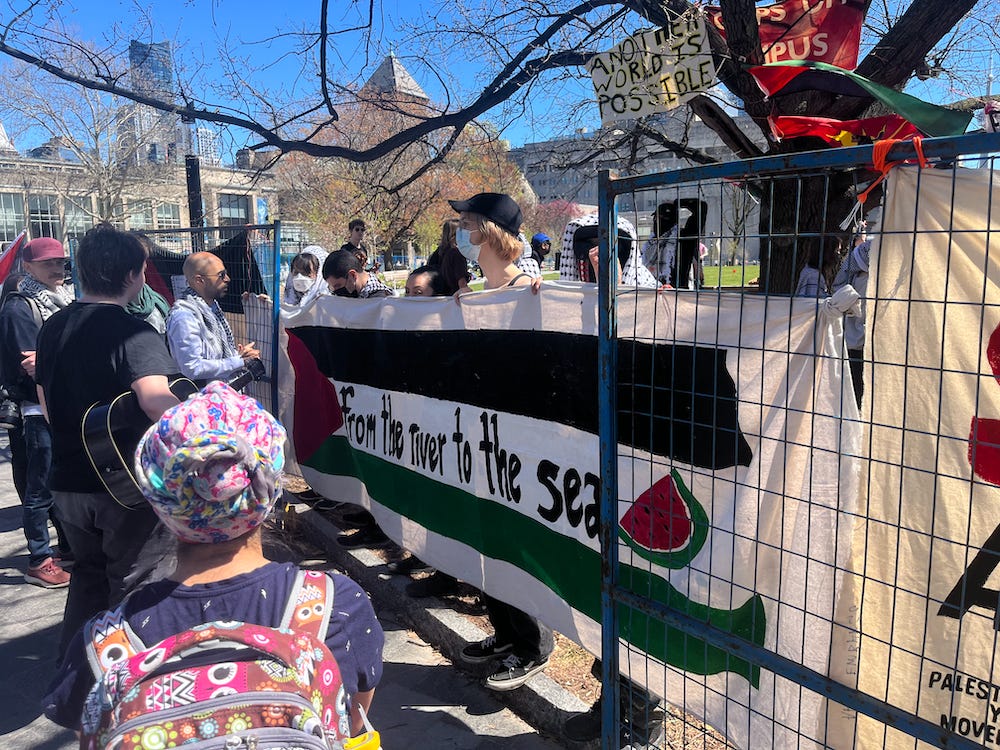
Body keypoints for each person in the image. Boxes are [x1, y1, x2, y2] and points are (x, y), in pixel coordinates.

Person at [42, 382, 385, 738]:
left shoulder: (105, 643)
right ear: (270, 490)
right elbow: (353, 721)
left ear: (160, 501)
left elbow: (81, 720)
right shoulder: (335, 607)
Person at [35, 223, 181, 656]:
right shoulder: (133, 332)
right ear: (136, 274)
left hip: (65, 481)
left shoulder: (52, 327)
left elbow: (46, 403)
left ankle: (76, 678)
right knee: (136, 584)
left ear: (81, 269)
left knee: (87, 576)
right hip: (122, 490)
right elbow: (157, 402)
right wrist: (207, 415)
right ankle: (129, 687)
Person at [0, 237, 73, 588]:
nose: (57, 268)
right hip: (36, 409)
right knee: (40, 487)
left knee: (60, 482)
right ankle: (40, 559)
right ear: (27, 267)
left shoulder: (62, 300)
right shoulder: (19, 306)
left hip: (61, 404)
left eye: (60, 262)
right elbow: (31, 363)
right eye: (48, 263)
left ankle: (66, 549)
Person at [166, 251, 261, 384]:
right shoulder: (184, 317)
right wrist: (238, 361)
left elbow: (216, 355)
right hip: (204, 400)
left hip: (222, 394)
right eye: (221, 275)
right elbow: (192, 368)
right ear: (199, 280)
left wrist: (238, 355)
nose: (227, 279)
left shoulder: (211, 308)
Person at [448, 192, 534, 291]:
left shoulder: (528, 289)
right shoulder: (488, 286)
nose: (459, 230)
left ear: (490, 232)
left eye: (465, 223)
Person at [559, 214, 658, 287]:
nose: (598, 254)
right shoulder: (561, 293)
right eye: (593, 244)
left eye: (609, 244)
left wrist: (617, 285)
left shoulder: (646, 285)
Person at [832, 223, 872, 408]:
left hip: (864, 340)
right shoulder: (855, 275)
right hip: (856, 341)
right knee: (855, 389)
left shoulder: (855, 275)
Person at [323, 249, 394, 299]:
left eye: (338, 286)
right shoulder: (360, 295)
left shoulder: (379, 300)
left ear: (353, 275)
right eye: (332, 288)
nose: (336, 292)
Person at [426, 219, 472, 296]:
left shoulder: (437, 254)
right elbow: (462, 284)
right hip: (454, 298)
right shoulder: (457, 254)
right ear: (456, 234)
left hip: (438, 298)